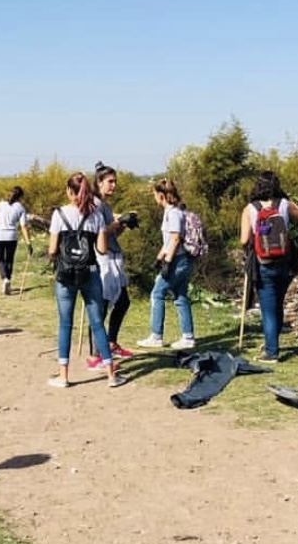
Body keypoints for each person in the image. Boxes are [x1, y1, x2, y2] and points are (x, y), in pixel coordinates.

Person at [47, 172, 128, 389]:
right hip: (90, 273)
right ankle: (111, 375)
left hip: (65, 275)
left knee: (65, 324)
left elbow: (52, 250)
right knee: (98, 324)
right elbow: (102, 249)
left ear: (69, 192)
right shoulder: (96, 216)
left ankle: (64, 376)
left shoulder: (59, 214)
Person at [239, 171, 298, 362]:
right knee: (278, 303)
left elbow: (244, 239)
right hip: (285, 263)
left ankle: (271, 352)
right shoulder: (285, 204)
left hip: (263, 263)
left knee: (268, 308)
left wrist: (251, 246)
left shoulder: (250, 209)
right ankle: (273, 342)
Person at [85, 162, 137, 371]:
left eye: (115, 181)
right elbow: (101, 234)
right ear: (99, 183)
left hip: (114, 257)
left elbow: (112, 233)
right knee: (101, 306)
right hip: (103, 259)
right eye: (110, 181)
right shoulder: (95, 205)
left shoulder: (105, 205)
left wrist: (124, 223)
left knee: (123, 301)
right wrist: (117, 223)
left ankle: (111, 343)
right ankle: (95, 353)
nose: (114, 185)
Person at [137, 178, 197, 350]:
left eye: (155, 194)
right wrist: (159, 257)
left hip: (177, 260)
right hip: (180, 259)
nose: (154, 197)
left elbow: (176, 238)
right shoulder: (172, 212)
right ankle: (188, 337)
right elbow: (168, 240)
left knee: (157, 293)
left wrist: (167, 262)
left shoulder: (173, 213)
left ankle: (156, 335)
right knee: (180, 296)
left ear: (161, 195)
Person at [0, 186, 32, 296]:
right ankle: (8, 279)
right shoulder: (20, 208)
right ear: (20, 197)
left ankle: (4, 279)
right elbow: (24, 226)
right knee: (9, 260)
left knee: (0, 260)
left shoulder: (1, 204)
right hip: (11, 237)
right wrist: (28, 243)